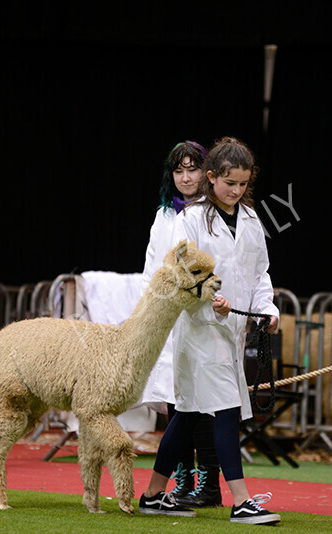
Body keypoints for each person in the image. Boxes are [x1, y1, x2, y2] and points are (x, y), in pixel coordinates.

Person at [138, 137, 281, 525]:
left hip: (232, 332)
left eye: (242, 184)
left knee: (185, 414)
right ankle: (241, 502)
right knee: (226, 411)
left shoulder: (252, 220)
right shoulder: (191, 219)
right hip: (198, 332)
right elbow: (181, 275)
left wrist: (266, 308)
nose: (235, 191)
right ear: (212, 177)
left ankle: (152, 495)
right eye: (228, 183)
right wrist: (208, 300)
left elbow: (259, 273)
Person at [137, 141, 222, 507]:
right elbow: (152, 268)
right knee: (177, 402)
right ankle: (183, 481)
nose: (186, 177)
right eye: (179, 170)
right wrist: (146, 316)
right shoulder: (164, 215)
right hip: (170, 323)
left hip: (205, 319)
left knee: (204, 403)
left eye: (193, 169)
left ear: (207, 172)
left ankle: (209, 484)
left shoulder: (214, 214)